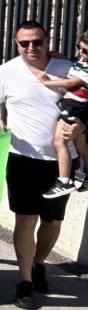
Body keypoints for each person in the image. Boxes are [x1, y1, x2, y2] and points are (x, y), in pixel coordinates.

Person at [0, 21, 80, 310]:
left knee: (53, 221)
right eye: (24, 43)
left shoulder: (68, 69)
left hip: (62, 161)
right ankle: (24, 282)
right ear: (16, 44)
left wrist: (80, 127)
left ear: (47, 40)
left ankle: (39, 264)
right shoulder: (5, 72)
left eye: (36, 42)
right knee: (26, 220)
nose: (30, 48)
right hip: (22, 157)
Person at [32, 31, 88, 198]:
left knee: (59, 140)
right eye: (80, 47)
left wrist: (47, 81)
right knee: (81, 144)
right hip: (76, 105)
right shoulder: (82, 62)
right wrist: (53, 54)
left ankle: (64, 180)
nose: (81, 52)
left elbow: (73, 82)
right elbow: (71, 62)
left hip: (74, 106)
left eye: (85, 51)